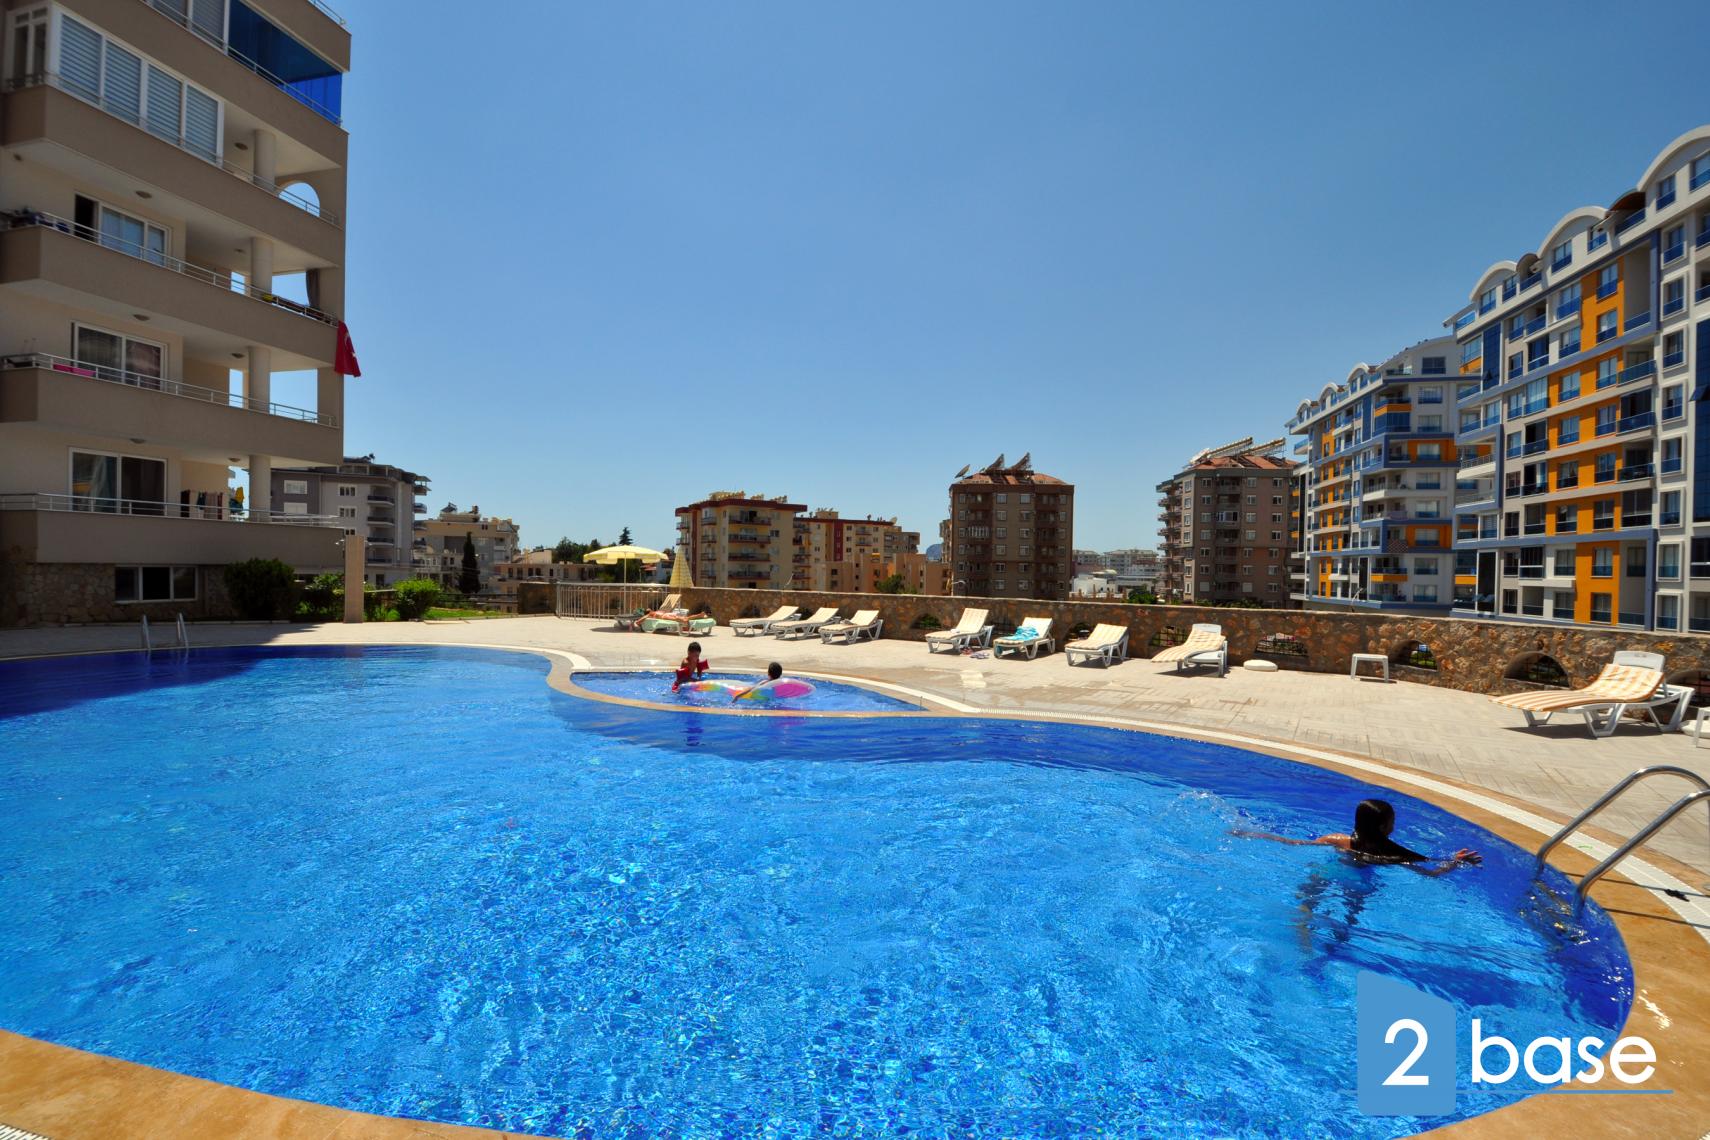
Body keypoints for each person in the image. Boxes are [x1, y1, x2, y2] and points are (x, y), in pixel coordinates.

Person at [1235, 798, 1482, 876]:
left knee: (1309, 900)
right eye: (1392, 823)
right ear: (1384, 827)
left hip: (1329, 872)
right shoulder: (1389, 853)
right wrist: (1455, 862)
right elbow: (1430, 873)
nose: (1394, 827)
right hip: (1360, 884)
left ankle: (1303, 928)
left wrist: (1253, 834)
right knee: (1350, 916)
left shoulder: (1338, 840)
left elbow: (1294, 843)